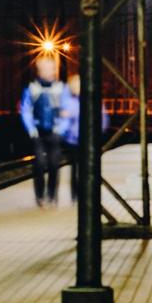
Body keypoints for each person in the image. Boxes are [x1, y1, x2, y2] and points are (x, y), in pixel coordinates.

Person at [19, 55, 67, 207]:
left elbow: (66, 109)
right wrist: (31, 128)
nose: (48, 71)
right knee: (39, 164)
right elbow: (26, 109)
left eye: (50, 68)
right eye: (44, 68)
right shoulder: (32, 89)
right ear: (39, 70)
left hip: (54, 131)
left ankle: (52, 196)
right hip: (38, 133)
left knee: (54, 164)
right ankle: (40, 196)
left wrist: (61, 128)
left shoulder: (60, 89)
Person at [59, 74, 105, 203]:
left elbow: (103, 118)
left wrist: (97, 133)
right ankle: (76, 195)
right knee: (76, 169)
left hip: (89, 140)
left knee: (88, 168)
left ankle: (88, 193)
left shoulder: (92, 100)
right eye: (74, 85)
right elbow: (62, 121)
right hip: (74, 141)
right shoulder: (68, 102)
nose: (77, 87)